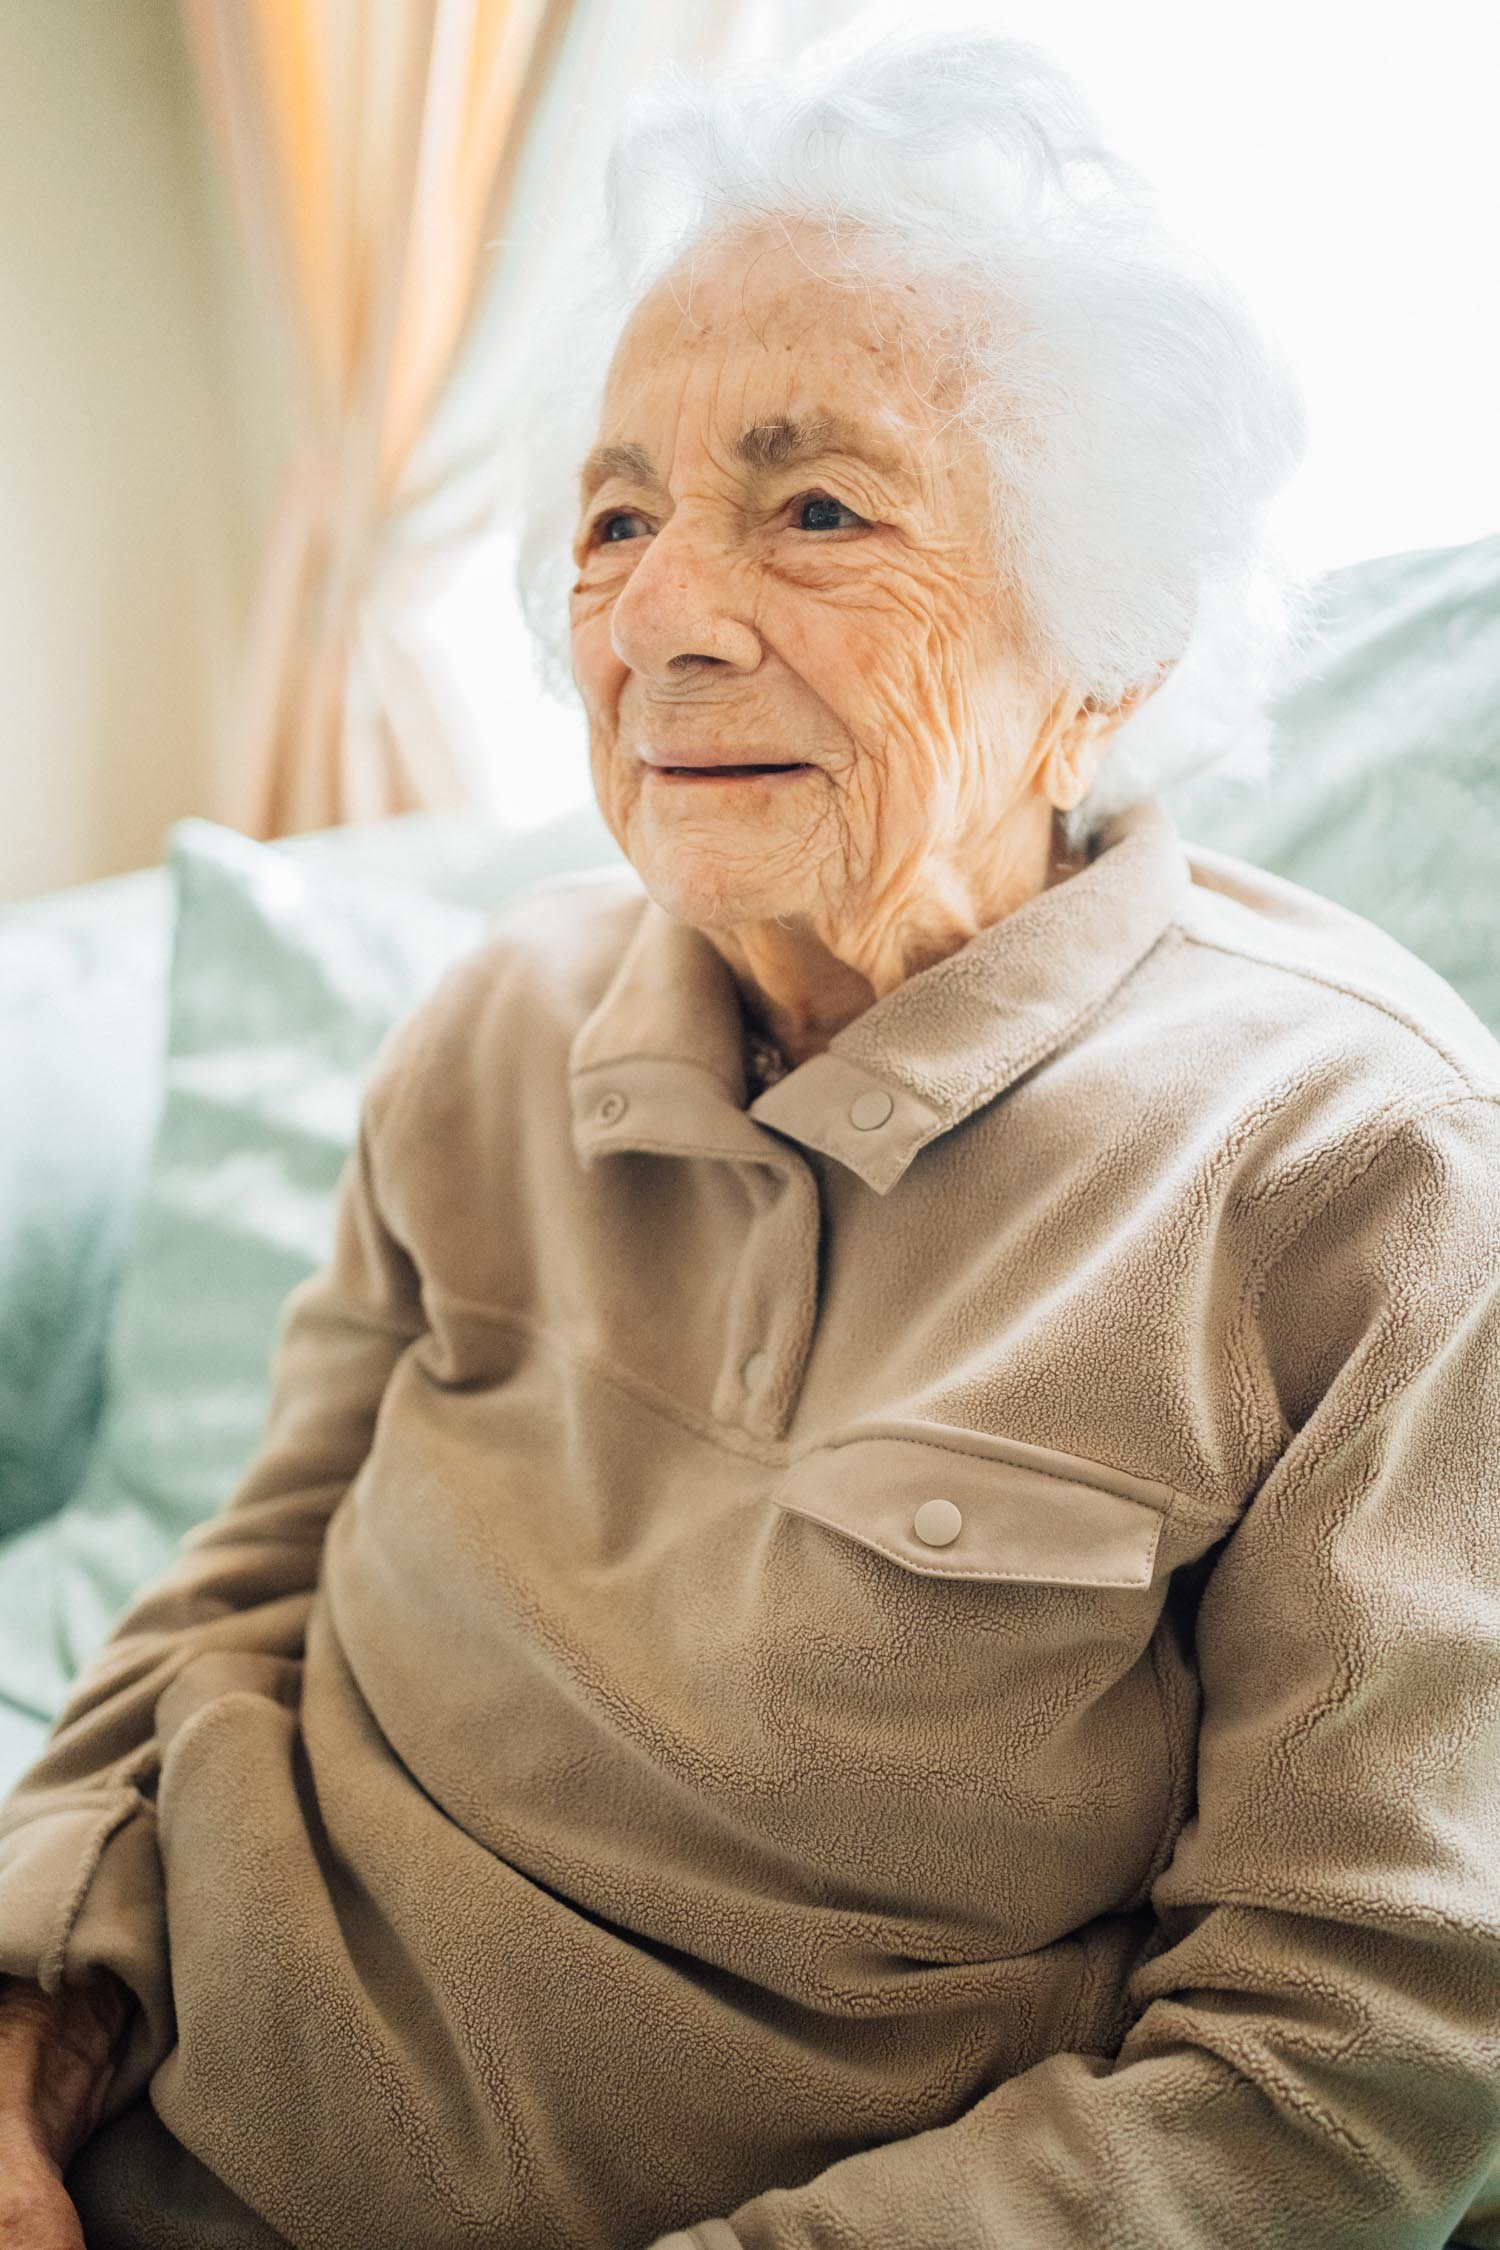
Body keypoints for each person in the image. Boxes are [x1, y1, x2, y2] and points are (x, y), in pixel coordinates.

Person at [3, 28, 1499, 2250]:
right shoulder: (493, 1018)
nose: (657, 623)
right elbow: (246, 1584)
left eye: (815, 510)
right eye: (617, 519)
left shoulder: (1356, 1172)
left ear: (1109, 640)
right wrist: (23, 2026)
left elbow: (1347, 2058)